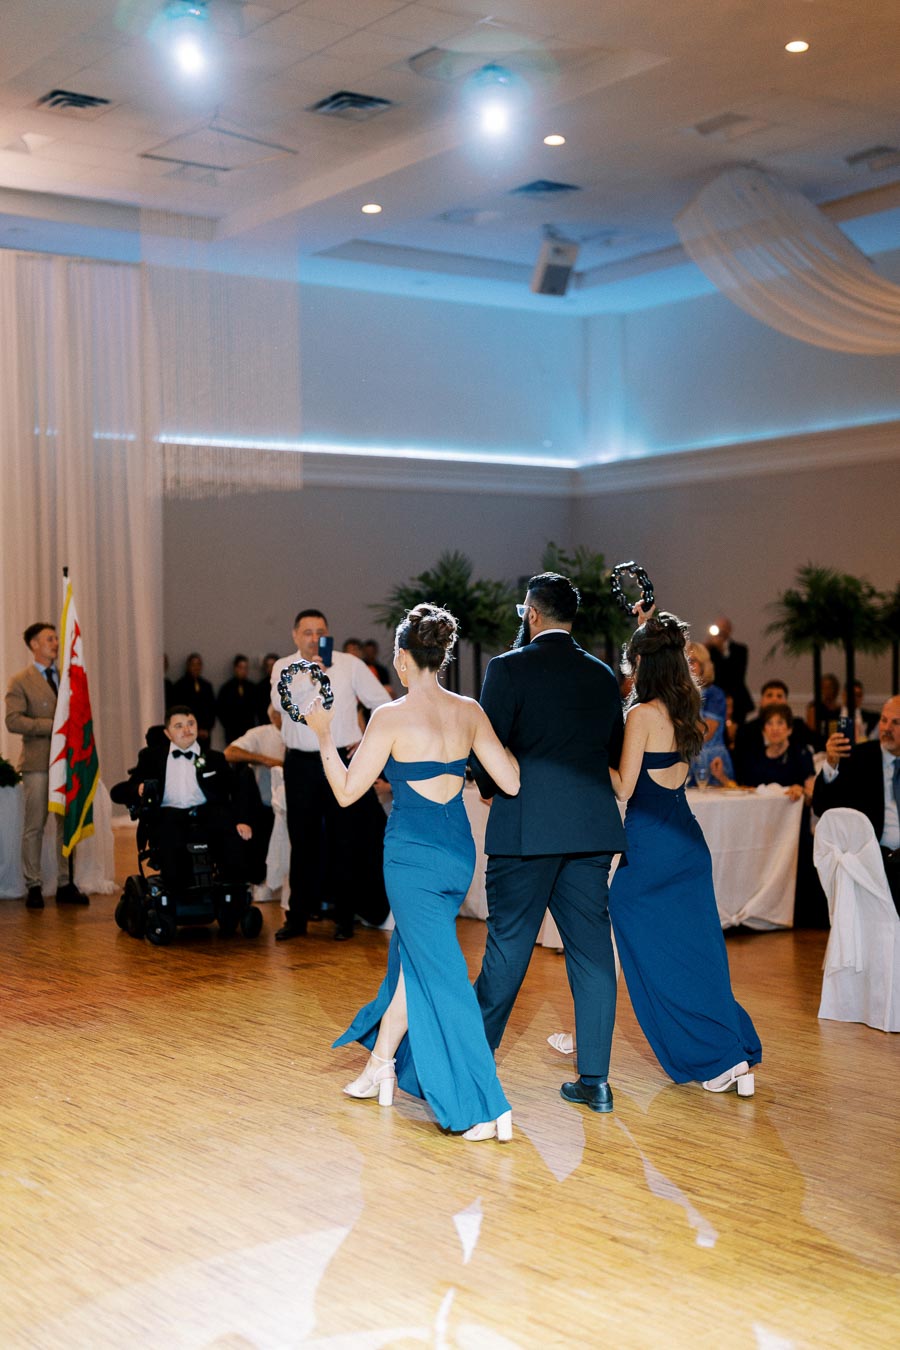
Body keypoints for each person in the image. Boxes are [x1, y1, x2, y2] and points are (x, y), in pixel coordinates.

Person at [304, 603, 520, 1142]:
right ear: (440, 657)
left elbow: (347, 791)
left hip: (411, 859)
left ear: (403, 657)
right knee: (416, 960)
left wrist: (324, 735)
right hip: (457, 854)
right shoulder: (469, 710)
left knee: (442, 976)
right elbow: (511, 781)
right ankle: (380, 1065)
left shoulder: (389, 716)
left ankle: (484, 1104)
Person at [471, 572, 626, 1114]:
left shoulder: (507, 668)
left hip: (526, 829)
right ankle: (596, 1082)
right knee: (592, 954)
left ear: (532, 614)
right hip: (590, 829)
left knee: (509, 947)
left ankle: (474, 1065)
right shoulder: (602, 675)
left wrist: (488, 787)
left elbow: (487, 743)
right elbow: (611, 749)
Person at [607, 609, 761, 1095]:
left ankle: (713, 1059)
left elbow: (623, 787)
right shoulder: (685, 708)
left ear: (644, 664)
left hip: (650, 848)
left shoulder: (641, 715)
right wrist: (649, 622)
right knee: (699, 953)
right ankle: (732, 1051)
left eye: (634, 660)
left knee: (645, 938)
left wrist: (588, 754)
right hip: (687, 843)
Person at [270, 609, 392, 942]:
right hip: (300, 763)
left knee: (345, 838)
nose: (314, 638)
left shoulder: (350, 664)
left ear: (328, 633)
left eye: (320, 632)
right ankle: (298, 917)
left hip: (340, 760)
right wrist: (313, 676)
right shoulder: (284, 667)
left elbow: (382, 703)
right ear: (295, 635)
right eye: (307, 632)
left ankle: (344, 917)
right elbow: (281, 706)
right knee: (302, 839)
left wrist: (367, 740)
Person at [112, 706, 252, 893]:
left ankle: (231, 892)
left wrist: (242, 820)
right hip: (168, 814)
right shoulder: (152, 758)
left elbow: (237, 789)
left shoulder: (214, 758)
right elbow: (119, 792)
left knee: (231, 838)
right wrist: (138, 789)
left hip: (207, 813)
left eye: (191, 724)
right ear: (167, 733)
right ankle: (180, 890)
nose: (187, 730)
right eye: (179, 726)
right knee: (171, 846)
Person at [5, 622, 88, 908]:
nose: (55, 643)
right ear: (34, 645)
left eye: (56, 638)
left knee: (67, 824)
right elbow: (13, 721)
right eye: (49, 639)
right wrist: (53, 726)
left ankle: (66, 882)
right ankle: (34, 885)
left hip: (67, 763)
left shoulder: (68, 677)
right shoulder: (20, 680)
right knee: (35, 825)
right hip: (38, 762)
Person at [812, 696, 900, 917]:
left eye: (896, 723)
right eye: (883, 720)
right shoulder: (859, 757)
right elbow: (822, 805)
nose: (886, 728)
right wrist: (831, 764)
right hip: (874, 859)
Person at [224, 706, 284, 892]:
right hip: (264, 805)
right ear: (274, 716)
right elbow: (229, 753)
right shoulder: (260, 734)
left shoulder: (303, 732)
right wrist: (264, 760)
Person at [733, 679, 823, 781]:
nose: (774, 699)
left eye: (779, 696)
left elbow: (819, 745)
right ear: (761, 701)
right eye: (769, 695)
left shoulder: (798, 726)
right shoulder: (746, 730)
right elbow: (740, 768)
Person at [739, 705, 815, 800]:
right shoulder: (754, 756)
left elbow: (811, 794)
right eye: (769, 723)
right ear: (763, 731)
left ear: (789, 729)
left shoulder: (801, 753)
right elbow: (746, 790)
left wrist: (801, 791)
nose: (774, 728)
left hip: (793, 807)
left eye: (780, 723)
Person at [686, 642, 734, 786]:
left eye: (692, 661)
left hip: (711, 763)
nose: (687, 666)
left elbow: (705, 734)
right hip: (683, 762)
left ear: (703, 665)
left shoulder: (714, 694)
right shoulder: (676, 694)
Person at [707, 615, 753, 724]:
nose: (721, 631)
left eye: (724, 628)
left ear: (729, 630)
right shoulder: (709, 650)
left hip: (737, 700)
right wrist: (710, 647)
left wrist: (721, 650)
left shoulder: (740, 649)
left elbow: (738, 674)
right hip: (715, 699)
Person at [171, 653, 216, 748]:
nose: (196, 668)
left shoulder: (206, 686)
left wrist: (207, 728)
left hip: (204, 733)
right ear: (188, 666)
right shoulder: (180, 686)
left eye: (198, 664)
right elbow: (179, 711)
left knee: (203, 756)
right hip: (186, 732)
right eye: (193, 665)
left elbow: (212, 709)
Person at [216, 654, 258, 745]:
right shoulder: (226, 688)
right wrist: (228, 725)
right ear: (235, 668)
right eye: (240, 667)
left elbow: (256, 708)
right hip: (232, 730)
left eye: (245, 668)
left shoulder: (252, 687)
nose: (243, 671)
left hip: (249, 729)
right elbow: (220, 709)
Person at [807, 673, 841, 742]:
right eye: (824, 688)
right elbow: (811, 730)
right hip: (818, 742)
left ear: (835, 689)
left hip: (836, 741)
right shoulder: (814, 707)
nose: (827, 691)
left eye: (830, 687)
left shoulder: (840, 709)